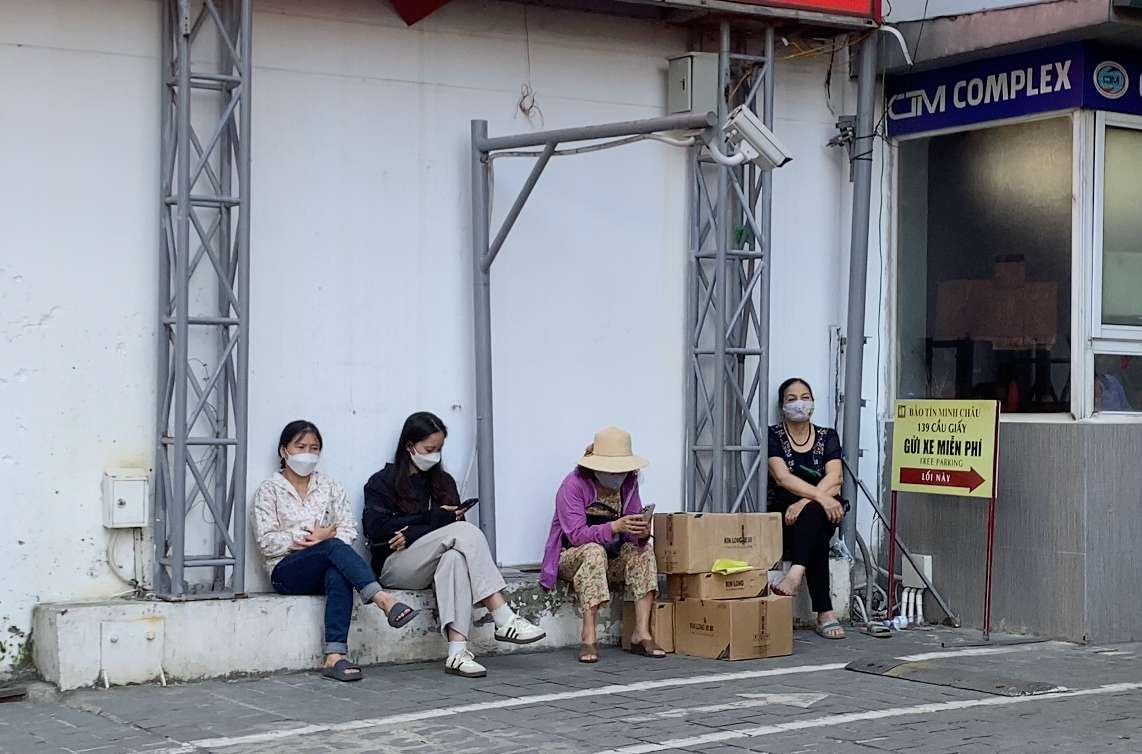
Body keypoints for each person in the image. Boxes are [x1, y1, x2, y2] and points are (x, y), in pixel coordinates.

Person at [363, 411, 546, 679]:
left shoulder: (443, 482)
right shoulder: (382, 481)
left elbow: (450, 528)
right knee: (462, 530)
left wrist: (413, 530)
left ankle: (457, 652)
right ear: (409, 446)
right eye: (428, 449)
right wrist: (433, 520)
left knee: (455, 558)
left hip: (435, 563)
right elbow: (376, 528)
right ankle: (503, 615)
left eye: (439, 449)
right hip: (396, 566)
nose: (434, 455)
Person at [252, 420, 420, 682]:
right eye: (301, 446)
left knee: (337, 571)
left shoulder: (329, 487)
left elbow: (348, 529)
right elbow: (266, 541)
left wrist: (326, 539)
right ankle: (383, 599)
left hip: (324, 566)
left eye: (314, 447)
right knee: (331, 546)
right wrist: (312, 537)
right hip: (285, 571)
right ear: (284, 451)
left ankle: (335, 657)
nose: (308, 453)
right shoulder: (269, 490)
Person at [540, 426, 663, 664]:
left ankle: (642, 632)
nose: (618, 475)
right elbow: (576, 535)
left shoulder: (629, 483)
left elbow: (630, 534)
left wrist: (640, 532)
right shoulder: (573, 486)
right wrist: (614, 527)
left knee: (643, 552)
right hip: (573, 557)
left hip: (613, 556)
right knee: (594, 552)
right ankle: (588, 636)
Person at [766, 378, 847, 640]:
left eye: (805, 396)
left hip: (822, 510)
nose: (799, 403)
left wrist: (805, 502)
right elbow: (782, 477)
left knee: (813, 514)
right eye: (791, 399)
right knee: (818, 534)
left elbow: (836, 477)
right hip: (785, 517)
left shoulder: (827, 436)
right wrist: (818, 499)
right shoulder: (773, 436)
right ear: (782, 406)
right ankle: (825, 613)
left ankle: (795, 574)